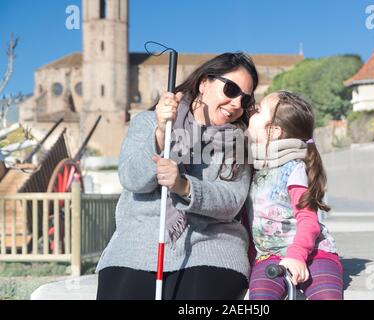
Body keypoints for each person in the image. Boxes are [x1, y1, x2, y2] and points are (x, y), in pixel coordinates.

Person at [96, 52, 258, 300]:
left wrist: (183, 186)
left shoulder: (238, 142)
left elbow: (231, 202)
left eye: (245, 99)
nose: (237, 103)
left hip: (212, 248)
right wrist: (161, 133)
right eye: (231, 89)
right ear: (204, 83)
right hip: (138, 246)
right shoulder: (148, 123)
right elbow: (131, 178)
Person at [246, 91, 344, 300]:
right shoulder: (254, 167)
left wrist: (297, 256)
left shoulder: (293, 169)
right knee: (260, 298)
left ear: (273, 131)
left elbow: (309, 220)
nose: (251, 112)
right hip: (269, 256)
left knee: (327, 296)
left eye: (258, 110)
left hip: (313, 253)